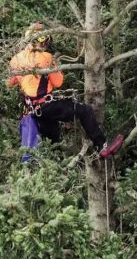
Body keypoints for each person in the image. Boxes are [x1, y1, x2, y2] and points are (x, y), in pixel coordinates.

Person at [8, 22, 124, 160]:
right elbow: (58, 82)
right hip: (47, 105)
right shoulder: (46, 57)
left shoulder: (15, 59)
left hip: (33, 110)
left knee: (53, 143)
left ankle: (52, 170)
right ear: (44, 40)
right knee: (84, 110)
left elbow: (10, 83)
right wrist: (55, 65)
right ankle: (102, 146)